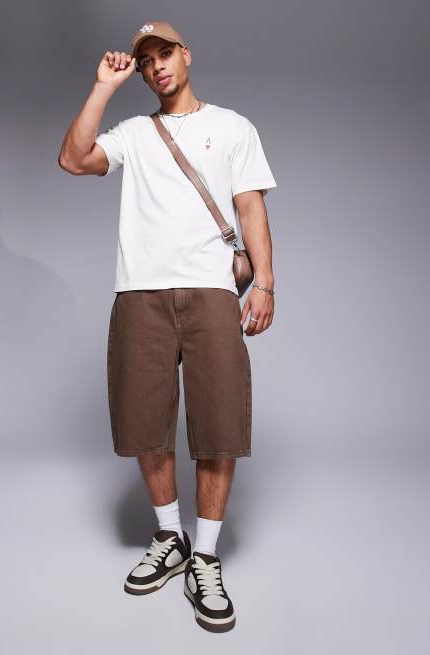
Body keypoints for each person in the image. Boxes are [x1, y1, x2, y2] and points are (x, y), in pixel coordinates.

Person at [58, 20, 277, 633]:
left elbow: (251, 207)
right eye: (145, 59)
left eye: (165, 53)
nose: (156, 65)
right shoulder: (133, 133)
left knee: (218, 422)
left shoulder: (232, 127)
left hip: (211, 292)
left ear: (186, 55)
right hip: (140, 292)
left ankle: (204, 554)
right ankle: (168, 537)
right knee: (145, 421)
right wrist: (103, 87)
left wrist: (264, 282)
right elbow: (73, 159)